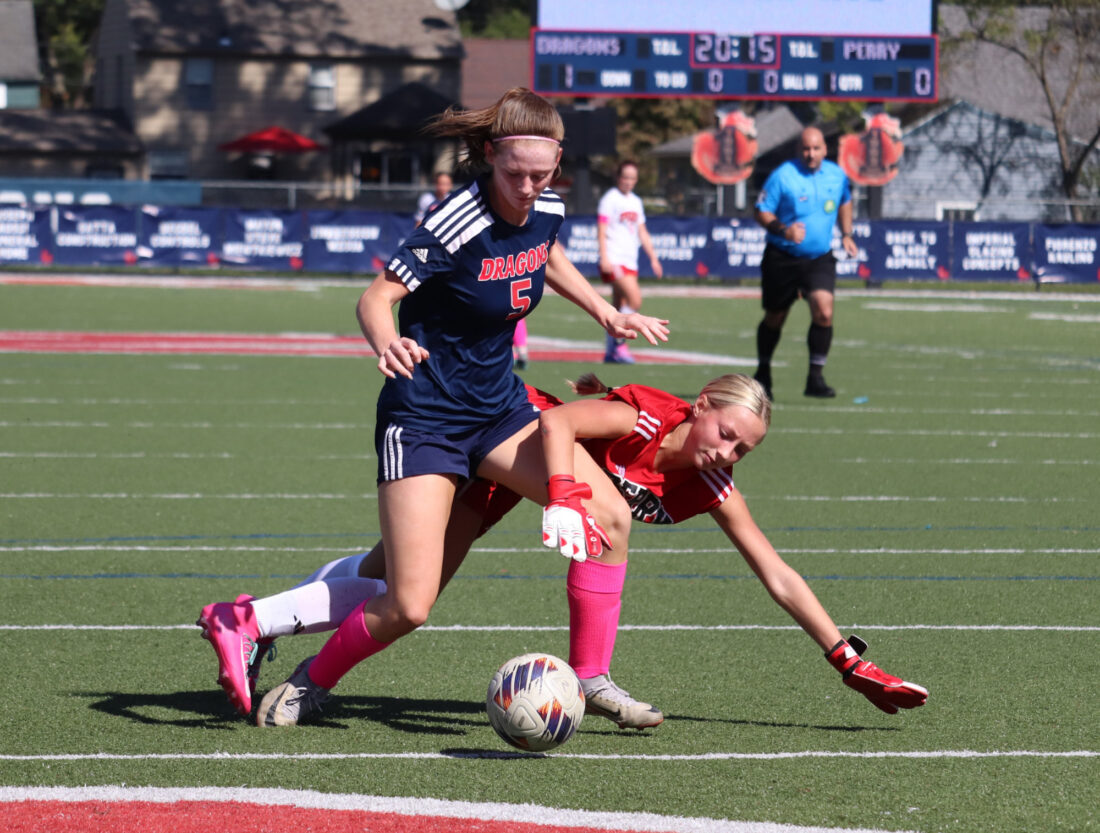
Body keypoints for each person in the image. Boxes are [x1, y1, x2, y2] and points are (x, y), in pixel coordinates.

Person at [195, 87, 670, 727]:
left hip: (500, 412)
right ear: (488, 155)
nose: (528, 188)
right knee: (408, 602)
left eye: (541, 175)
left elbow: (546, 250)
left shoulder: (548, 206)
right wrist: (387, 342)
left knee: (610, 519)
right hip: (426, 420)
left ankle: (591, 677)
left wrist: (606, 311)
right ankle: (307, 682)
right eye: (515, 174)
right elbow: (374, 298)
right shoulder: (456, 220)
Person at [204, 372, 926, 728]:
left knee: (388, 576)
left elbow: (777, 573)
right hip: (507, 438)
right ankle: (302, 675)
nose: (728, 452)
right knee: (410, 595)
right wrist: (565, 494)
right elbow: (556, 425)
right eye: (726, 434)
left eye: (745, 450)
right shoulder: (643, 416)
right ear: (702, 404)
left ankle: (259, 619)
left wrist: (847, 659)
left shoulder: (709, 484)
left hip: (527, 477)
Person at [753, 126, 859, 400]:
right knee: (775, 317)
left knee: (824, 311)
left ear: (825, 149)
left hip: (819, 258)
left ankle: (815, 378)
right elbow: (761, 211)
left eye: (816, 148)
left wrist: (846, 234)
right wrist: (783, 230)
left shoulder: (836, 175)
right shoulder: (783, 175)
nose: (811, 154)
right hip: (782, 258)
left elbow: (845, 201)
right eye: (806, 149)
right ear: (798, 150)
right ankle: (763, 372)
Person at [597, 160, 663, 364]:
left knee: (619, 307)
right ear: (618, 177)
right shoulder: (610, 198)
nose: (628, 181)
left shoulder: (635, 201)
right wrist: (604, 256)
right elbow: (601, 229)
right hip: (615, 258)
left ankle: (611, 351)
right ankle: (620, 345)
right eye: (625, 177)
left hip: (630, 259)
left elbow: (642, 231)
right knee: (635, 301)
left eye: (632, 178)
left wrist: (653, 257)